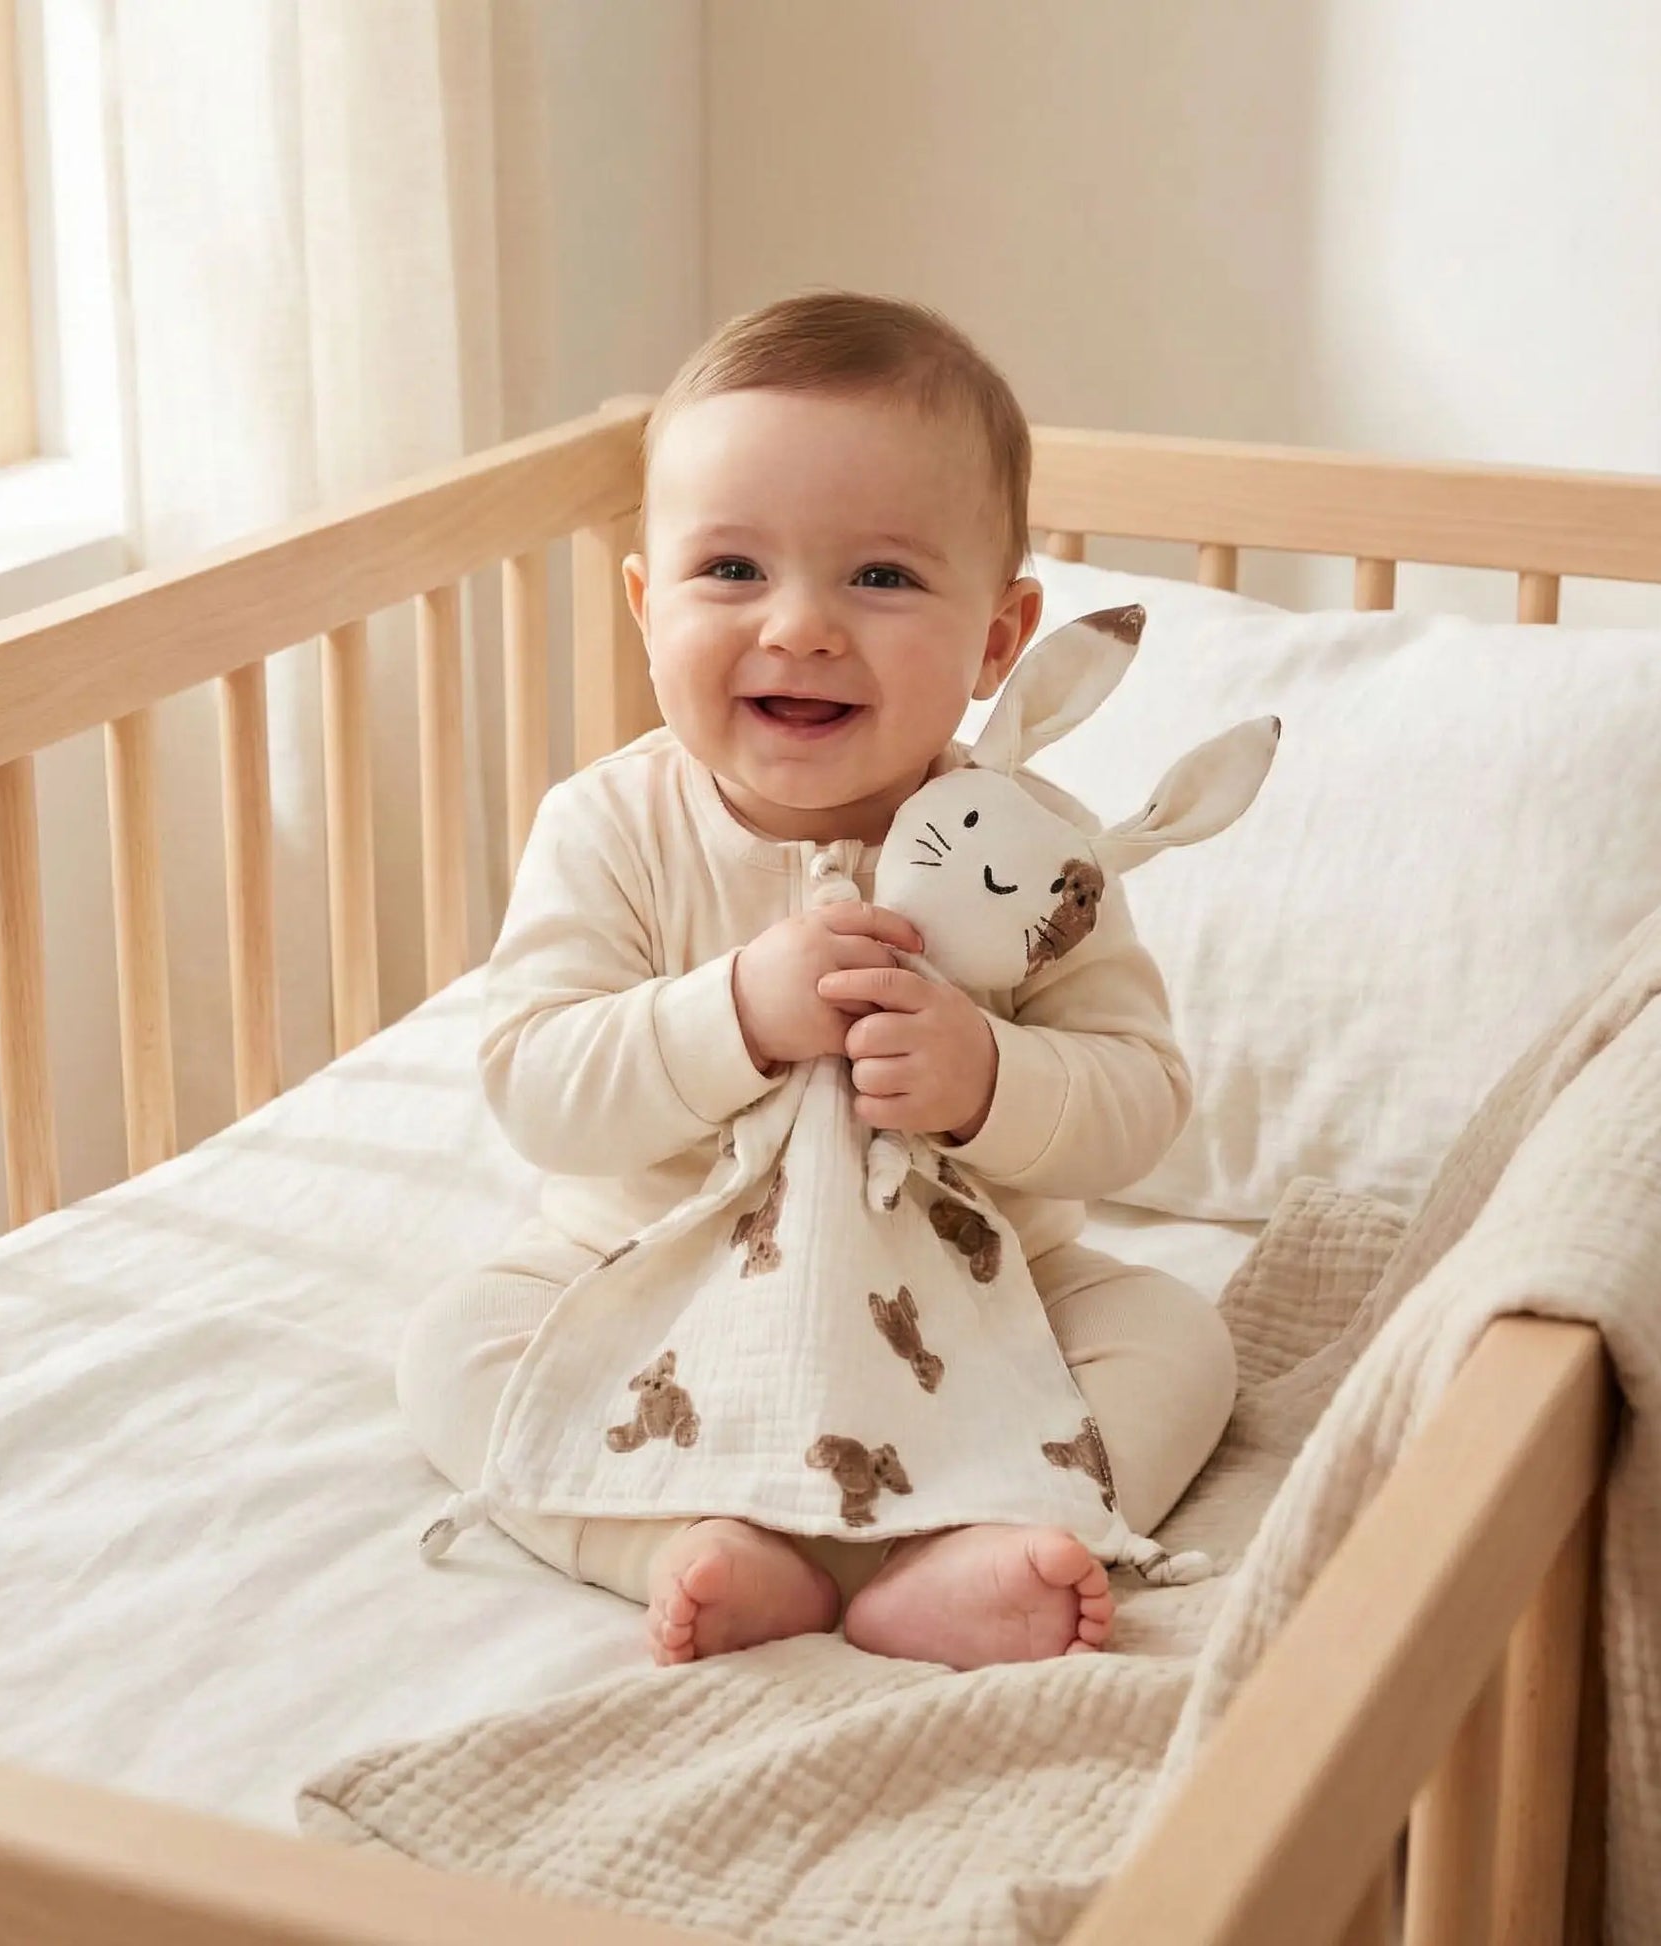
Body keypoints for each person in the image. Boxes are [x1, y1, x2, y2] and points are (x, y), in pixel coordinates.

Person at [397, 290, 1235, 1670]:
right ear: (643, 602)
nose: (797, 625)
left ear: (997, 637)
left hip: (973, 1296)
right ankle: (676, 1543)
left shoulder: (1038, 864)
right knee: (457, 1343)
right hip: (651, 1281)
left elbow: (1139, 1096)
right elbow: (540, 1081)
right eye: (729, 569)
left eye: (881, 577)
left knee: (1172, 1337)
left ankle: (969, 1540)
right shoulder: (611, 826)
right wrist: (729, 1013)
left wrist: (987, 1081)